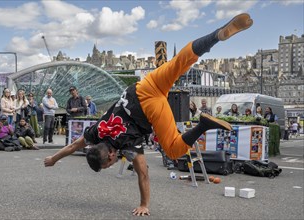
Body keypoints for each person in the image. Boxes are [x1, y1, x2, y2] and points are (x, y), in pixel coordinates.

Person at [44, 13, 253, 216]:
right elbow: (73, 146)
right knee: (180, 62)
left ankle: (203, 125)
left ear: (109, 156)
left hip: (151, 109)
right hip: (144, 86)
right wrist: (53, 158)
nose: (111, 165)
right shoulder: (95, 132)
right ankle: (216, 35)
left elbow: (143, 174)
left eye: (108, 164)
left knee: (173, 150)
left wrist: (144, 204)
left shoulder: (127, 145)